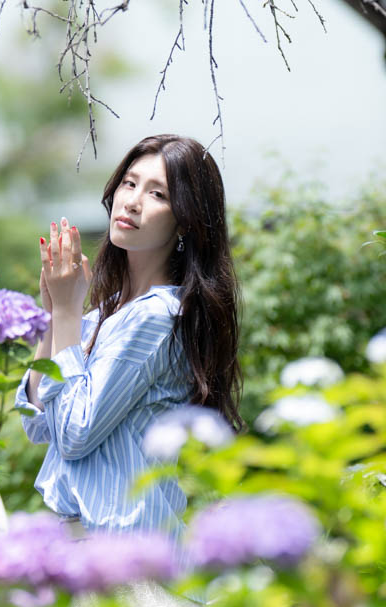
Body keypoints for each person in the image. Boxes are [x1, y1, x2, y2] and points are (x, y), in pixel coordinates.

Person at [15, 133, 242, 537]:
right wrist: (54, 316)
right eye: (129, 183)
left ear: (186, 222)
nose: (133, 201)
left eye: (158, 195)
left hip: (131, 558)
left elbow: (73, 434)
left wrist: (68, 310)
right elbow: (39, 425)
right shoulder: (107, 312)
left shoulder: (160, 315)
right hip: (87, 548)